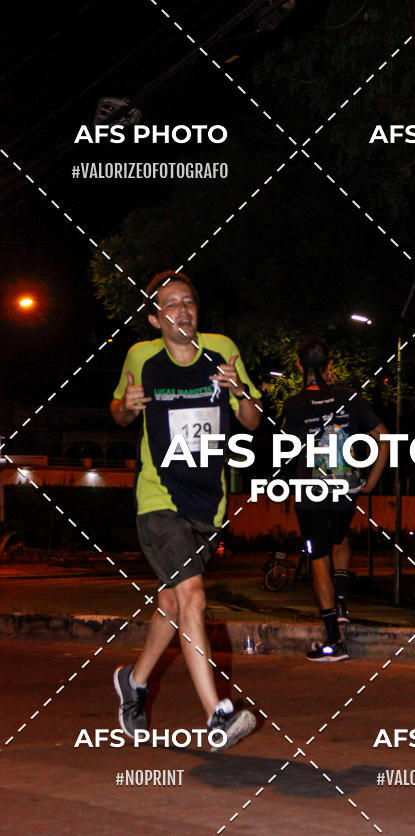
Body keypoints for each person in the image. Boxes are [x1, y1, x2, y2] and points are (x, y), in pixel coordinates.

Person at [110, 270, 261, 749]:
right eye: (171, 304)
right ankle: (217, 715)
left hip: (207, 505)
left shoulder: (222, 349)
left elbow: (253, 421)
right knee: (192, 596)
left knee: (173, 603)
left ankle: (133, 682)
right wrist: (127, 406)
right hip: (159, 498)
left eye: (189, 301)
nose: (183, 310)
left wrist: (238, 391)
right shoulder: (141, 356)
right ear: (156, 319)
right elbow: (119, 411)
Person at [283, 337, 389, 661]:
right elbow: (384, 438)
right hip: (347, 488)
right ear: (329, 365)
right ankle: (341, 603)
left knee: (318, 557)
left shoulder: (293, 405)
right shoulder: (349, 396)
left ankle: (333, 641)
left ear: (299, 367)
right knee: (340, 538)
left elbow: (292, 450)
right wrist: (370, 482)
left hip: (311, 491)